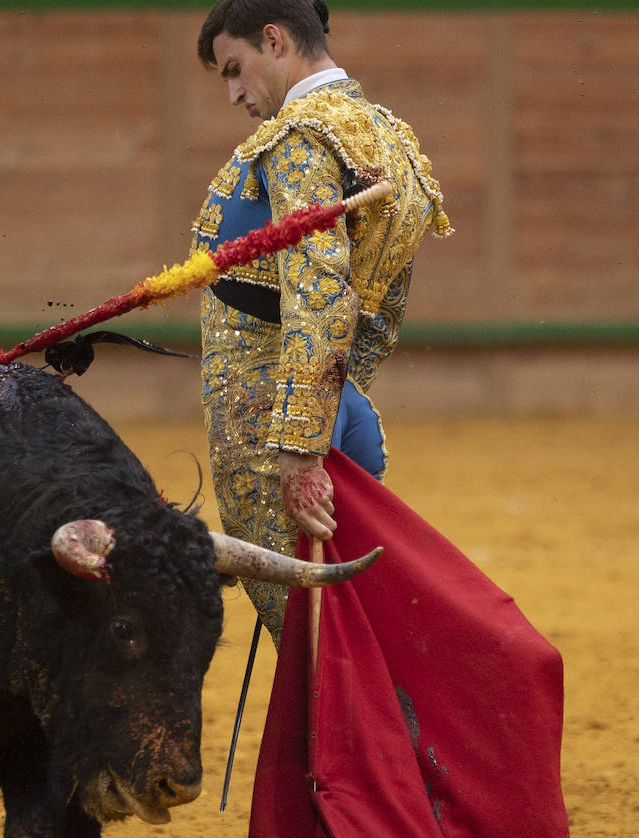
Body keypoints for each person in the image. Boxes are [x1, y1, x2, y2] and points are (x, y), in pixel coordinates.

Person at [192, 0, 451, 645]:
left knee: (311, 634)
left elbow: (320, 292)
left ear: (274, 41)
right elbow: (384, 292)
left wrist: (301, 447)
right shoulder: (388, 132)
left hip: (272, 418)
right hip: (333, 406)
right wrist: (343, 392)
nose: (233, 94)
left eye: (235, 68)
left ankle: (368, 747)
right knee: (348, 623)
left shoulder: (299, 137)